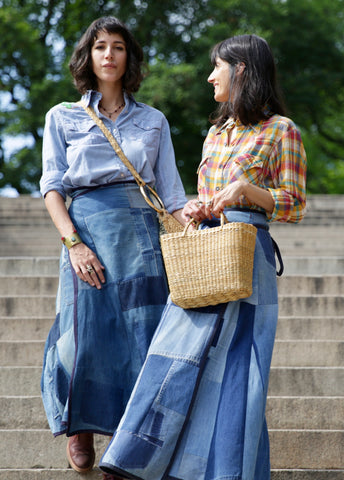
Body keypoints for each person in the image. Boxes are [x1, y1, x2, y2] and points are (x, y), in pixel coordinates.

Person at [99, 34, 307, 480]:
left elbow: (294, 204)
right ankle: (137, 458)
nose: (211, 76)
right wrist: (197, 205)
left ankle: (228, 471)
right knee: (173, 353)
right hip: (205, 256)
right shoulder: (216, 133)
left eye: (219, 67)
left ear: (243, 70)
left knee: (237, 371)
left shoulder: (282, 130)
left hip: (248, 258)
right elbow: (208, 195)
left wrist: (249, 192)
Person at [39, 16, 187, 478]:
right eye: (100, 46)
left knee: (141, 340)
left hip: (141, 235)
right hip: (85, 230)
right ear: (88, 56)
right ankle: (80, 425)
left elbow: (173, 194)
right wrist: (73, 244)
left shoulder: (153, 120)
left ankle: (127, 449)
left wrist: (195, 234)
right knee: (82, 336)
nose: (109, 54)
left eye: (118, 46)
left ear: (129, 57)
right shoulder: (62, 116)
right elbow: (52, 186)